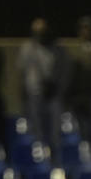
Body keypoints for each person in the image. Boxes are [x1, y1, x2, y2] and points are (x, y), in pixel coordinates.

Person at [17, 18, 68, 148]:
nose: (40, 34)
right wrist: (24, 93)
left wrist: (57, 87)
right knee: (36, 131)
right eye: (37, 31)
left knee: (55, 131)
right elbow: (22, 71)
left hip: (53, 94)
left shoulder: (57, 49)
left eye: (43, 31)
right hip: (34, 93)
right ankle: (40, 162)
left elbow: (63, 71)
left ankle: (55, 161)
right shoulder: (27, 48)